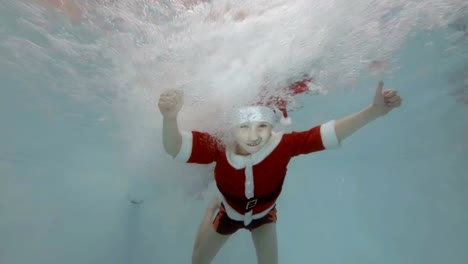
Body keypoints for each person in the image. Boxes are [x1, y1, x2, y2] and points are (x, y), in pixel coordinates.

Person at [158, 80, 402, 264]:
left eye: (262, 126)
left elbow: (328, 134)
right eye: (244, 127)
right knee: (197, 262)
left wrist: (373, 111)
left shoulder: (283, 145)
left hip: (264, 218)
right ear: (231, 129)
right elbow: (174, 147)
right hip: (228, 213)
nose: (254, 136)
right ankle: (211, 209)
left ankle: (216, 207)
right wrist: (170, 119)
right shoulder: (219, 146)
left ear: (270, 125)